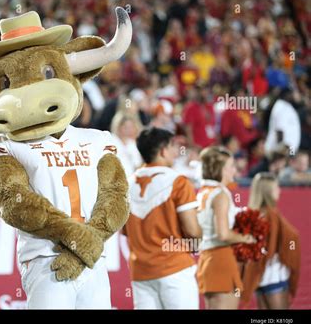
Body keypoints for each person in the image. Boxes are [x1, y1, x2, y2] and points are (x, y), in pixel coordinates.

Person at [124, 127, 202, 309]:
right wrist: (198, 241)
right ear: (162, 150)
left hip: (141, 273)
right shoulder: (178, 182)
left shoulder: (125, 185)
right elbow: (192, 230)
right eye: (173, 146)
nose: (176, 152)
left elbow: (126, 231)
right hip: (175, 269)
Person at [196, 146, 256, 309]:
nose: (234, 170)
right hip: (221, 258)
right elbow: (223, 234)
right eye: (231, 166)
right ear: (220, 169)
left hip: (207, 259)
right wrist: (247, 238)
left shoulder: (203, 191)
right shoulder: (220, 194)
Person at [242, 173, 301, 309]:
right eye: (276, 188)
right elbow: (293, 237)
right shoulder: (272, 215)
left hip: (258, 275)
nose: (279, 191)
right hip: (274, 274)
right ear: (268, 191)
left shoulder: (250, 214)